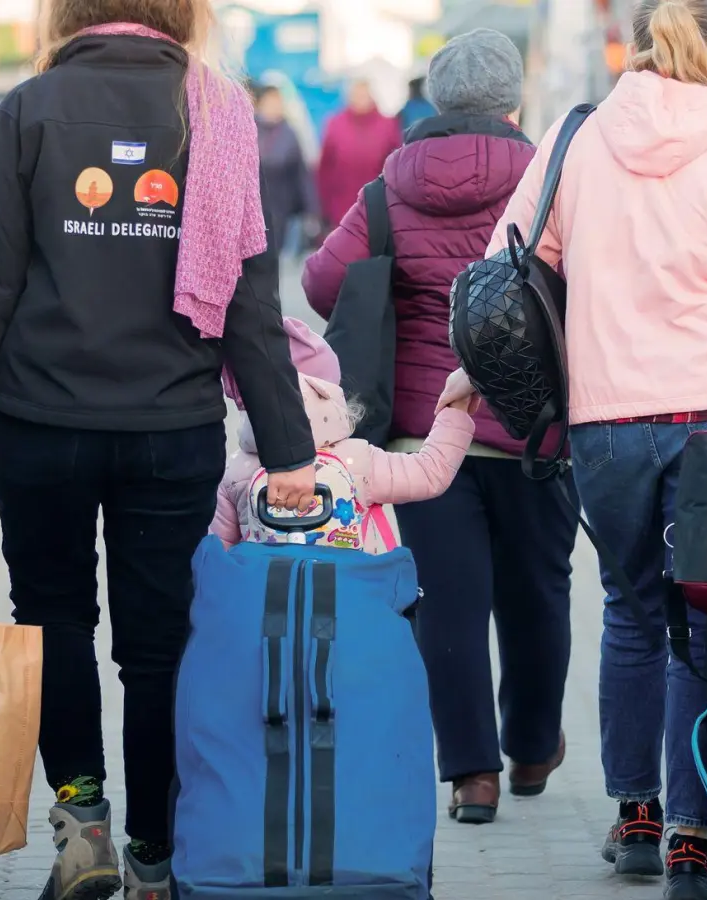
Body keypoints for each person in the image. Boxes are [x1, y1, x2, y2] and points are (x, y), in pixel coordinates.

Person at [0, 4, 318, 899]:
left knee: (53, 623)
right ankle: (156, 858)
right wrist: (290, 451)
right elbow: (250, 299)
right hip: (170, 433)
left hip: (38, 425)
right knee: (160, 646)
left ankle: (82, 824)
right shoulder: (213, 112)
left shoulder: (30, 108)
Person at [479, 2, 707, 896]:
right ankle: (689, 834)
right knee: (703, 627)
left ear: (633, 44)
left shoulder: (578, 139)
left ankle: (633, 813)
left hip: (608, 427)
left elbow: (509, 262)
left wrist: (474, 380)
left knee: (631, 613)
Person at [302, 28, 581, 828]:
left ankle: (471, 777)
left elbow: (323, 282)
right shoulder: (551, 180)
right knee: (539, 594)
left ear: (434, 98)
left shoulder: (388, 190)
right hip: (535, 431)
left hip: (425, 439)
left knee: (446, 602)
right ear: (513, 101)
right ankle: (531, 746)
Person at [211, 319, 479, 548]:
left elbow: (218, 553)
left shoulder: (237, 470)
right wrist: (456, 409)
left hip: (268, 604)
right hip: (356, 602)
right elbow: (430, 472)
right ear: (332, 395)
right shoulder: (360, 461)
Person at [316, 78, 402, 233]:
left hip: (378, 209)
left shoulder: (388, 125)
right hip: (341, 211)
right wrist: (323, 208)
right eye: (356, 94)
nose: (360, 99)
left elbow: (398, 168)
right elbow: (324, 170)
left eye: (364, 94)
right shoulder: (335, 124)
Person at [253, 83, 317, 259]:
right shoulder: (249, 128)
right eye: (270, 102)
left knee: (273, 256)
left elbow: (301, 174)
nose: (275, 107)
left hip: (280, 208)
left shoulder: (289, 134)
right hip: (251, 207)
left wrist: (311, 209)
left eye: (278, 102)